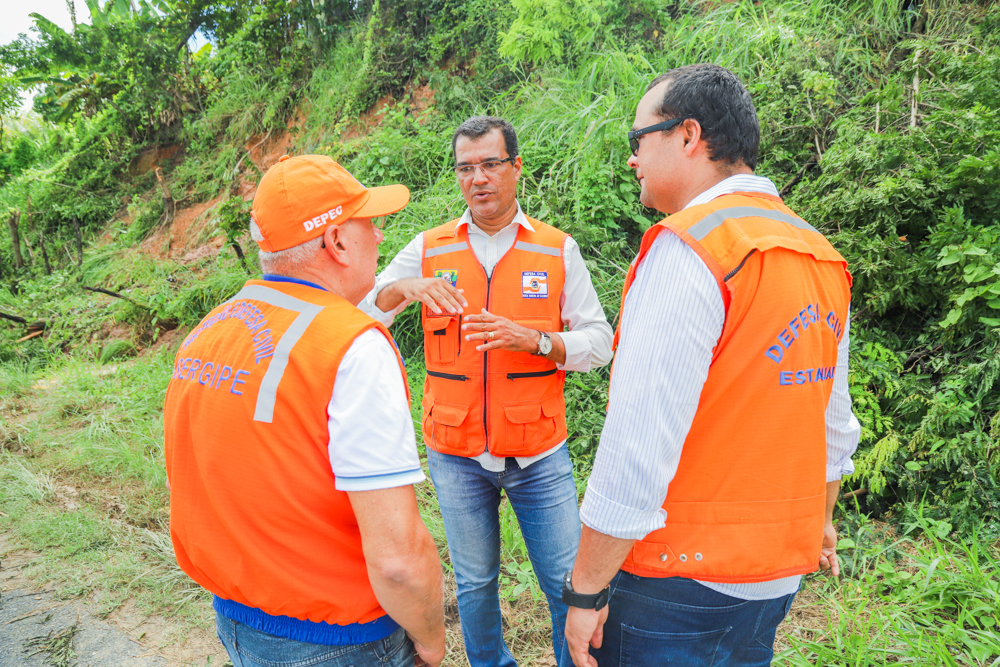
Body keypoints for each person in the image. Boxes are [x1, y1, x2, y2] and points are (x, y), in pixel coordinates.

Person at [562, 64, 861, 667]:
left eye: (637, 140)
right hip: (774, 578)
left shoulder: (691, 247)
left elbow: (637, 447)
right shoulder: (818, 255)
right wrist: (820, 521)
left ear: (688, 135)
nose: (631, 160)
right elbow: (833, 424)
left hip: (674, 586)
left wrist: (586, 588)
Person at [163, 155, 446, 667]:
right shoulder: (354, 349)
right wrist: (431, 640)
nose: (379, 238)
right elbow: (399, 559)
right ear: (336, 242)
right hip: (340, 638)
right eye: (368, 224)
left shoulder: (209, 331)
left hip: (239, 618)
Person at [361, 116, 613, 667]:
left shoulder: (556, 249)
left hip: (539, 451)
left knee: (564, 583)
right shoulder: (429, 248)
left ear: (515, 168)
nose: (479, 178)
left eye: (491, 164)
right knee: (474, 585)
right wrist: (403, 286)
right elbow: (358, 309)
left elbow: (600, 343)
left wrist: (538, 340)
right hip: (455, 452)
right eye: (466, 168)